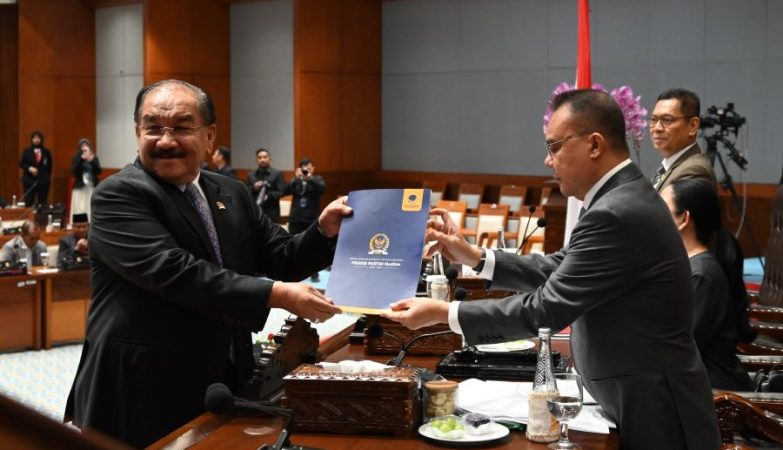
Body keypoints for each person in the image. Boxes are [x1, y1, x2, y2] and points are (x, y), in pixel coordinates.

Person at [382, 89, 720, 449]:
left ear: (594, 145)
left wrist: (444, 313)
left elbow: (547, 307)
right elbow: (562, 267)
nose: (547, 160)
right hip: (643, 398)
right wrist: (476, 257)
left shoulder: (617, 210)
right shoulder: (618, 197)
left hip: (658, 411)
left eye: (554, 146)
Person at [63, 79, 350, 448]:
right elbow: (175, 272)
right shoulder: (118, 194)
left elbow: (282, 256)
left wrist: (323, 230)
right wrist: (276, 294)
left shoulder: (231, 192)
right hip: (141, 387)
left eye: (181, 127)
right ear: (137, 133)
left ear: (209, 136)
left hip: (221, 377)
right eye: (153, 128)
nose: (166, 141)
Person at [661, 179, 754, 391]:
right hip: (689, 385)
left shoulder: (703, 275)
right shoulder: (689, 265)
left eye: (662, 209)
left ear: (684, 219)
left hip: (714, 392)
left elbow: (679, 346)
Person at [648, 88, 716, 192]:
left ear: (693, 126)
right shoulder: (670, 165)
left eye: (667, 120)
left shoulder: (694, 170)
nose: (657, 128)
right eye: (653, 120)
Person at [286, 157, 325, 235]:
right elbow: (286, 191)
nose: (306, 171)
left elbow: (321, 190)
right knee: (294, 240)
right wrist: (296, 178)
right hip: (296, 219)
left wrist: (310, 179)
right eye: (304, 169)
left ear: (313, 169)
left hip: (312, 219)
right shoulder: (296, 181)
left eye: (309, 169)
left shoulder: (318, 179)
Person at [246, 148, 285, 223]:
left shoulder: (277, 173)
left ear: (270, 159)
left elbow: (282, 192)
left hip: (271, 211)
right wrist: (254, 188)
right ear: (256, 160)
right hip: (255, 211)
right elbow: (246, 192)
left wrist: (268, 196)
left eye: (265, 157)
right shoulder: (251, 175)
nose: (262, 159)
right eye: (259, 157)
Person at [70, 138, 102, 223]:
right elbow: (74, 170)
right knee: (80, 207)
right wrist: (81, 159)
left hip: (91, 186)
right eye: (82, 146)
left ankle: (91, 223)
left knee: (90, 206)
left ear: (89, 147)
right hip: (80, 187)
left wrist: (91, 161)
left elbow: (99, 171)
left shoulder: (94, 158)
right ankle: (80, 224)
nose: (84, 147)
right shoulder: (77, 158)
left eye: (86, 145)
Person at [18, 130, 53, 206]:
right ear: (32, 139)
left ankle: (41, 214)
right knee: (29, 202)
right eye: (34, 138)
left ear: (41, 139)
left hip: (43, 182)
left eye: (38, 138)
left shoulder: (46, 152)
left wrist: (47, 178)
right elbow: (21, 164)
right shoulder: (27, 151)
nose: (36, 140)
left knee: (42, 203)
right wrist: (30, 168)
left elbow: (49, 166)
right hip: (29, 181)